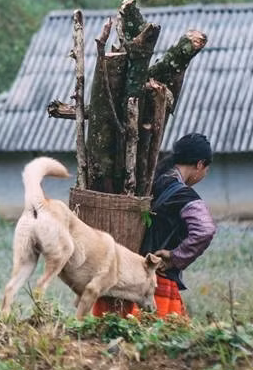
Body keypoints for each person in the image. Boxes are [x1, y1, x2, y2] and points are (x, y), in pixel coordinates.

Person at [92, 132, 217, 318]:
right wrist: (175, 257)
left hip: (121, 277)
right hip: (155, 284)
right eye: (205, 170)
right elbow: (205, 230)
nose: (203, 175)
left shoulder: (148, 180)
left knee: (110, 333)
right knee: (155, 340)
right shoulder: (183, 195)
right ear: (200, 164)